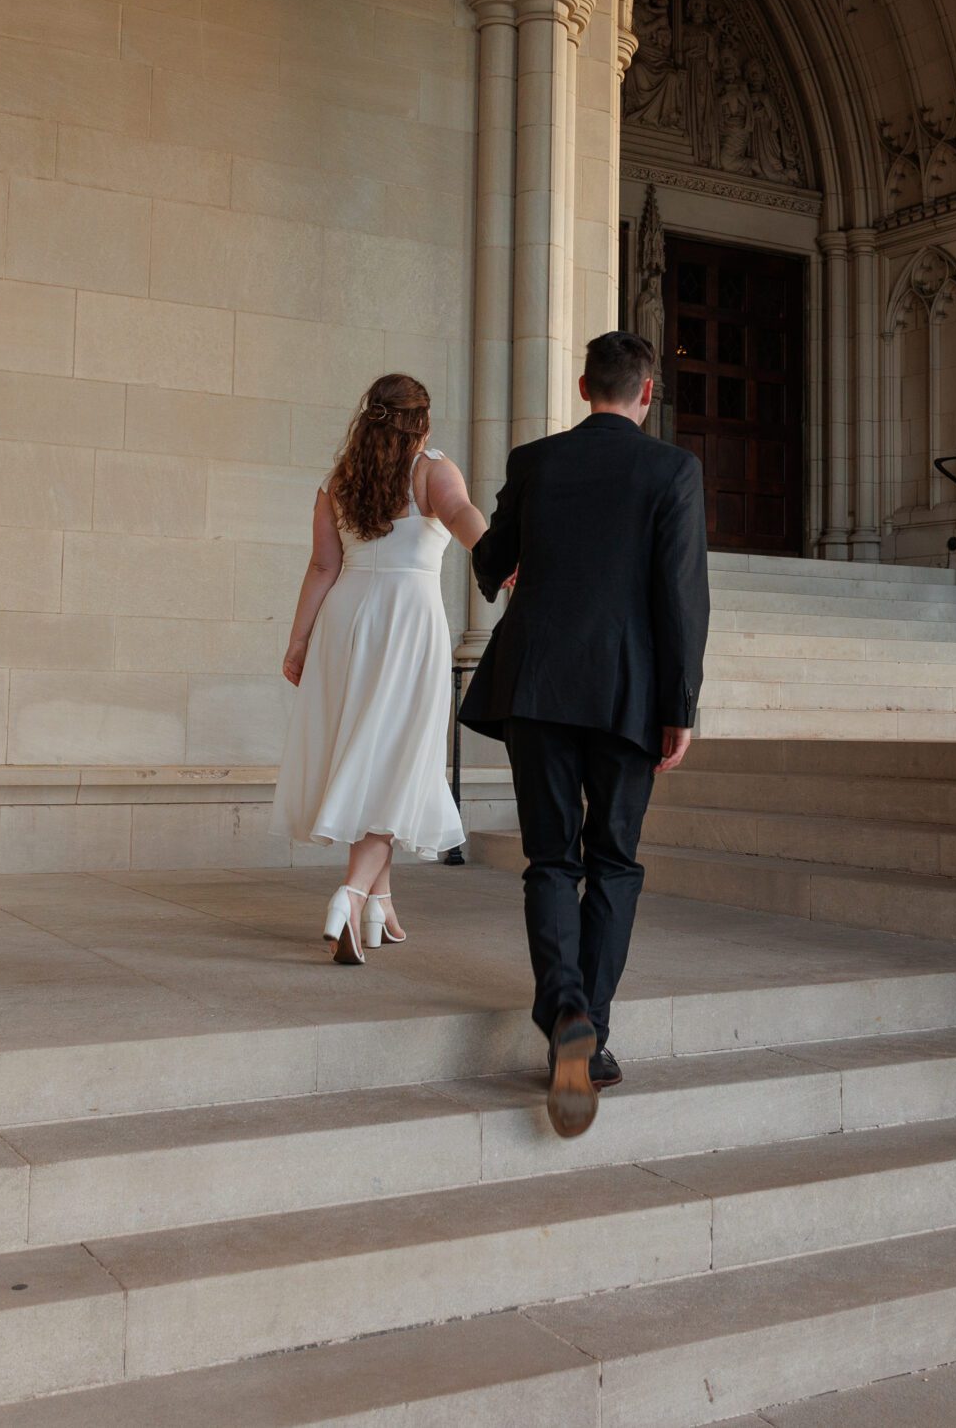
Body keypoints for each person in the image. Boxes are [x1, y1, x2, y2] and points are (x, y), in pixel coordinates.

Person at [460, 331, 711, 1138]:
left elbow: (492, 560)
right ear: (647, 394)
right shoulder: (672, 469)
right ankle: (587, 1028)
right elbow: (681, 597)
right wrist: (682, 703)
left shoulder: (535, 461)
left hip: (537, 686)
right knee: (612, 861)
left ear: (581, 386)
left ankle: (565, 1006)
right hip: (629, 694)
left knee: (550, 858)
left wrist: (520, 554)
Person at [273, 375, 487, 963]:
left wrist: (298, 642)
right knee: (397, 757)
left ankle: (379, 907)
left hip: (345, 622)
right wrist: (501, 557)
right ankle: (349, 893)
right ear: (420, 421)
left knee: (376, 755)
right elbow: (464, 515)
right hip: (407, 622)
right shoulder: (432, 470)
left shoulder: (340, 480)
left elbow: (322, 566)